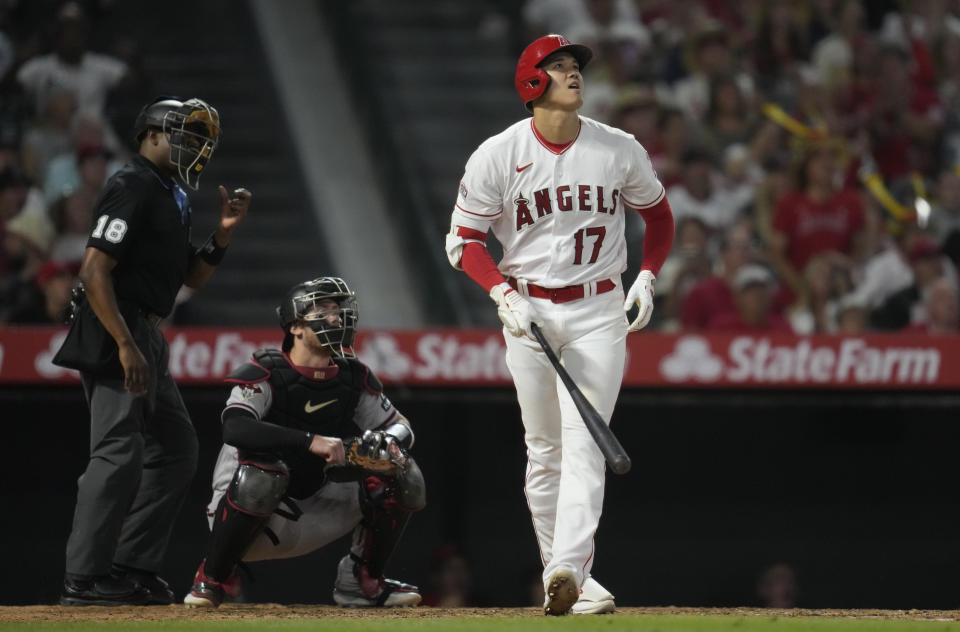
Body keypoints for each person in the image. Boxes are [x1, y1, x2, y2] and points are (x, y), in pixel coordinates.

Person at [444, 34, 674, 616]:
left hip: (599, 309)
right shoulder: (497, 154)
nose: (574, 74)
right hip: (528, 310)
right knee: (544, 449)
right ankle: (564, 577)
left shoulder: (617, 147)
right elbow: (464, 240)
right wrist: (499, 292)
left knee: (585, 443)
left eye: (576, 67)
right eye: (561, 67)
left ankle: (569, 565)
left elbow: (660, 215)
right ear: (532, 82)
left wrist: (647, 275)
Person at [54, 95, 250, 606]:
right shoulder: (132, 183)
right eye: (185, 135)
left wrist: (223, 235)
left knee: (177, 449)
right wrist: (124, 343)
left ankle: (130, 567)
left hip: (146, 331)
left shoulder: (173, 193)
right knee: (118, 452)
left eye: (200, 139)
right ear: (152, 135)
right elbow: (93, 270)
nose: (195, 147)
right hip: (115, 325)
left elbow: (190, 277)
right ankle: (84, 578)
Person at [184, 277, 424, 609]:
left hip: (318, 506)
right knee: (264, 473)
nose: (336, 317)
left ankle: (361, 581)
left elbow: (402, 427)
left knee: (403, 472)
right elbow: (235, 428)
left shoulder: (353, 377)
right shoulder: (266, 371)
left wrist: (386, 443)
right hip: (250, 515)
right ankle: (212, 577)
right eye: (323, 309)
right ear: (296, 326)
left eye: (338, 309)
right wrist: (310, 441)